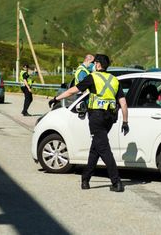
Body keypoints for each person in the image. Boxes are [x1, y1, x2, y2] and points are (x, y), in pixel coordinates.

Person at [49, 54, 129, 192]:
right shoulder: (115, 80)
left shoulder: (93, 77)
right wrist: (125, 122)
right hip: (110, 118)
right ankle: (85, 180)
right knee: (95, 148)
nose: (93, 65)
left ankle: (116, 182)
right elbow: (123, 103)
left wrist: (56, 98)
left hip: (96, 117)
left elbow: (73, 90)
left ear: (98, 64)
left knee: (104, 149)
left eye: (95, 63)